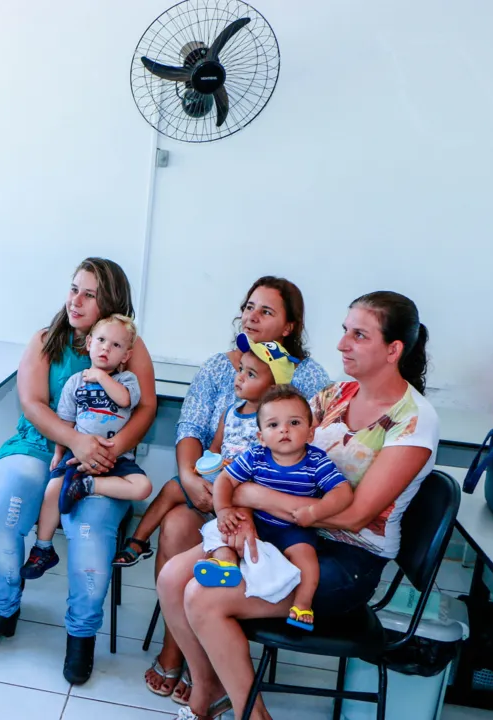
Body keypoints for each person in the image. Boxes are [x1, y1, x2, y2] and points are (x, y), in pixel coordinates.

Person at [157, 291, 438, 720]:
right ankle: (210, 690)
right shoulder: (334, 395)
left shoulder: (414, 421)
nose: (343, 343)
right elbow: (267, 456)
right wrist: (244, 509)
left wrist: (255, 498)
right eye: (345, 331)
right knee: (173, 575)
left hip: (348, 558)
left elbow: (356, 515)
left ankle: (250, 713)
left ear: (393, 350)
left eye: (358, 335)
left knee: (203, 596)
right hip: (285, 533)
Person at [143, 277, 331, 702]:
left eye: (267, 311)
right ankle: (180, 651)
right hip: (210, 484)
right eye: (249, 306)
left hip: (263, 504)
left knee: (189, 528)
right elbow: (190, 428)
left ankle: (203, 662)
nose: (252, 316)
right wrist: (191, 477)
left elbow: (316, 445)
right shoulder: (217, 365)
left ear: (289, 327)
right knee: (175, 523)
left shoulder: (309, 376)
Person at [0, 258, 157, 685]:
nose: (75, 300)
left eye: (89, 293)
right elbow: (33, 403)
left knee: (89, 537)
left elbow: (145, 406)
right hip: (40, 445)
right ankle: (3, 608)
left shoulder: (131, 346)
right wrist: (74, 441)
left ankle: (80, 636)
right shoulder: (45, 339)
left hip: (104, 456)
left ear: (109, 301)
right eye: (74, 288)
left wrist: (109, 450)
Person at [114, 334, 288, 568]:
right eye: (240, 369)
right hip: (220, 476)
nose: (239, 378)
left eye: (251, 374)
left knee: (239, 518)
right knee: (173, 488)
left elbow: (270, 462)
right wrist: (205, 466)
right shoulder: (230, 412)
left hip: (245, 486)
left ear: (274, 388)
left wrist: (234, 474)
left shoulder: (272, 423)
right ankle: (137, 541)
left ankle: (225, 564)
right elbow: (216, 446)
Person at [200, 384, 353, 633]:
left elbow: (342, 493)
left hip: (293, 529)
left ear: (310, 433)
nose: (284, 429)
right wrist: (224, 509)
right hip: (257, 522)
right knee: (216, 532)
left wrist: (316, 513)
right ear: (261, 436)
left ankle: (302, 605)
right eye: (273, 425)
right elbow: (225, 480)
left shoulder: (316, 461)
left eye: (294, 423)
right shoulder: (256, 455)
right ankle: (225, 566)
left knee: (307, 559)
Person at [20, 314, 152, 579]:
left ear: (126, 356)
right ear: (90, 342)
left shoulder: (126, 381)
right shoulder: (75, 383)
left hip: (116, 458)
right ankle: (43, 547)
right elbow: (65, 422)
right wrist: (59, 453)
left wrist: (102, 377)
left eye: (116, 345)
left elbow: (125, 400)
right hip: (77, 455)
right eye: (101, 340)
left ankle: (90, 486)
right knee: (52, 489)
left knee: (143, 488)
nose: (106, 348)